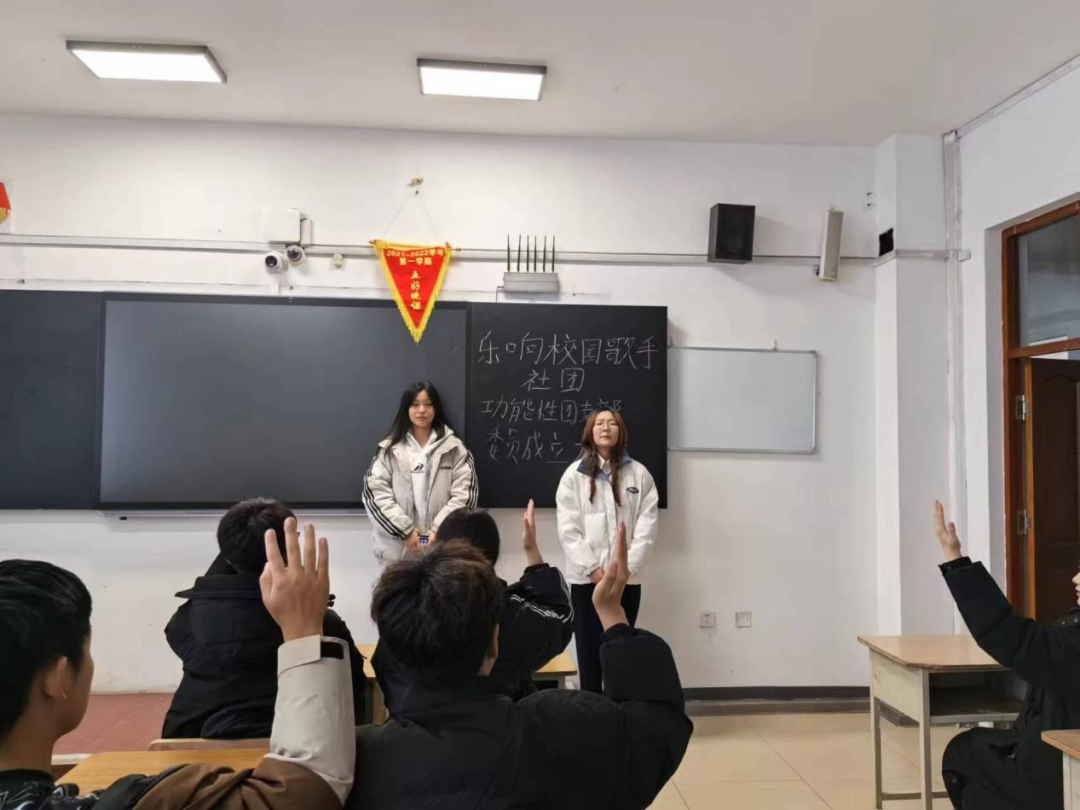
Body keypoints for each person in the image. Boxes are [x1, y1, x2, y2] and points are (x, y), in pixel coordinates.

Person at [0, 518, 355, 809]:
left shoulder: (190, 617)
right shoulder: (152, 800)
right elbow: (304, 792)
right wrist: (304, 631)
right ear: (58, 678)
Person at [348, 528, 691, 809]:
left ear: (392, 650)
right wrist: (613, 615)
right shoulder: (564, 730)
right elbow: (656, 726)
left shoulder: (351, 764)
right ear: (494, 643)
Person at [162, 498, 367, 738]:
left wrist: (228, 560)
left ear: (225, 555)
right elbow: (355, 684)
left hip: (190, 737)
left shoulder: (190, 616)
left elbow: (176, 635)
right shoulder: (318, 623)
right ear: (289, 550)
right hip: (297, 739)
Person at [933, 501, 1080, 809]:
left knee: (963, 756)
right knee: (977, 748)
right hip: (1051, 748)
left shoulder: (1073, 642)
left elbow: (1012, 637)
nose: (1075, 580)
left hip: (1062, 770)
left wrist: (955, 560)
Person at [372, 500, 573, 714]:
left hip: (413, 728)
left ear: (438, 547)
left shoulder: (404, 612)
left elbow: (385, 668)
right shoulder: (509, 614)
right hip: (495, 729)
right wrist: (532, 550)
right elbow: (561, 617)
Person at [555, 409, 659, 692]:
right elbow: (568, 530)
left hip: (627, 582)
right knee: (589, 654)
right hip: (586, 583)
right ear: (590, 431)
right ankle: (591, 710)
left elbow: (647, 529)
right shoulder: (573, 476)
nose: (606, 427)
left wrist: (625, 571)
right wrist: (594, 571)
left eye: (612, 423)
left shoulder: (639, 474)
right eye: (599, 423)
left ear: (620, 431)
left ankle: (618, 710)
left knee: (622, 652)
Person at [363, 381, 478, 564]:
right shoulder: (388, 450)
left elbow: (465, 497)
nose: (422, 410)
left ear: (436, 408)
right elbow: (375, 494)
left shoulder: (455, 449)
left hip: (444, 552)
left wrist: (438, 531)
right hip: (398, 555)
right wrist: (405, 532)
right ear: (406, 409)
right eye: (415, 404)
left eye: (428, 404)